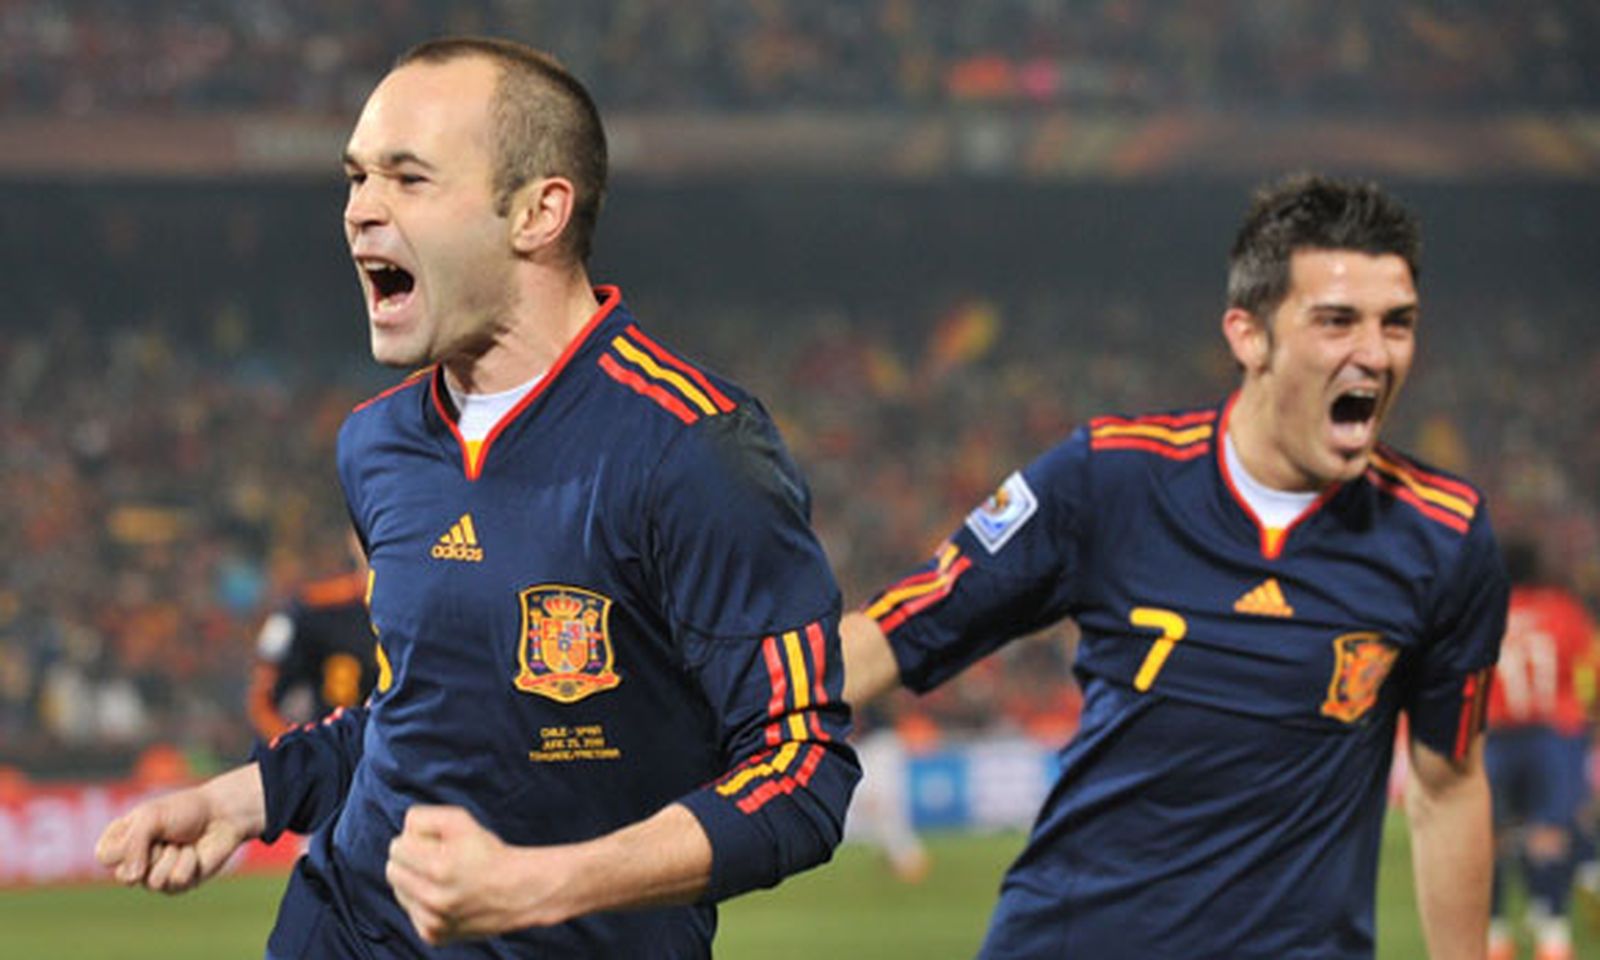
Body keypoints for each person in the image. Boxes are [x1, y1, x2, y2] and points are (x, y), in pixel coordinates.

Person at [95, 36, 859, 958]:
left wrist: (541, 885)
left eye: (408, 178)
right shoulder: (375, 444)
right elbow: (423, 712)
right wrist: (242, 799)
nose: (359, 210)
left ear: (538, 213)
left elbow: (801, 770)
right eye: (356, 177)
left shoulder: (694, 448)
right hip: (343, 930)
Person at [842, 174, 1508, 959]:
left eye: (1397, 324)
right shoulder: (1109, 478)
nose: (1374, 353)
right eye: (1337, 321)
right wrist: (725, 717)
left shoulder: (1442, 536)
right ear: (1248, 335)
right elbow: (897, 631)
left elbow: (1448, 785)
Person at [1485, 539, 1600, 960]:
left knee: (1490, 839)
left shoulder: (1486, 611)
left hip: (1496, 735)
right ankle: (1553, 935)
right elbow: (1591, 668)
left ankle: (1495, 935)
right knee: (1549, 835)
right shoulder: (1563, 609)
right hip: (1554, 736)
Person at [246, 532, 376, 743]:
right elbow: (262, 703)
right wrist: (302, 752)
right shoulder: (308, 610)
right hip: (339, 751)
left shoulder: (425, 613)